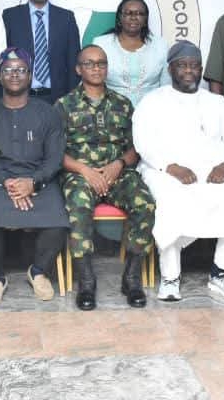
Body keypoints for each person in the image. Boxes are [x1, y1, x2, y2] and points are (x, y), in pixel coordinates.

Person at [133, 40, 224, 302]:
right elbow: (142, 141)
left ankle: (221, 272)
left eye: (195, 66)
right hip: (164, 169)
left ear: (201, 70)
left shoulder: (217, 102)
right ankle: (170, 277)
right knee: (171, 198)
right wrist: (171, 167)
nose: (189, 71)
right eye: (183, 65)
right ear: (170, 69)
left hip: (213, 168)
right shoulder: (153, 101)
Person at [56, 44, 155, 310]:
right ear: (78, 69)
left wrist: (118, 164)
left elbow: (136, 148)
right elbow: (55, 153)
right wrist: (85, 170)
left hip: (117, 173)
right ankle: (86, 281)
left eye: (101, 63)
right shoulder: (64, 105)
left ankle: (131, 278)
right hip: (80, 174)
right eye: (89, 63)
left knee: (145, 203)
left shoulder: (123, 104)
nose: (96, 68)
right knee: (78, 204)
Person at [0, 47, 70, 306]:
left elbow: (54, 158)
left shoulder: (48, 113)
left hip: (40, 181)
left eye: (21, 70)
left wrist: (33, 182)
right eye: (8, 70)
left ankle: (39, 271)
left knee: (58, 220)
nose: (14, 75)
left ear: (30, 75)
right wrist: (6, 181)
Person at [1, 0, 80, 102]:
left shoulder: (66, 18)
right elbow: (3, 60)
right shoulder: (10, 17)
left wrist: (70, 100)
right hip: (20, 97)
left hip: (58, 99)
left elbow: (74, 61)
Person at [92, 0, 170, 106]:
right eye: (128, 13)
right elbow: (92, 83)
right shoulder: (101, 44)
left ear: (145, 19)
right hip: (111, 110)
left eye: (139, 14)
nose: (134, 17)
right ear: (119, 18)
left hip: (151, 110)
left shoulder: (161, 45)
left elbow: (166, 86)